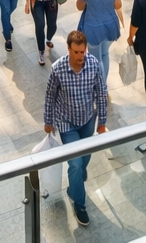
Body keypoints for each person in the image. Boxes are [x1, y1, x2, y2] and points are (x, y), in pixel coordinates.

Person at [42, 30, 109, 228]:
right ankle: (80, 205)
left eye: (83, 52)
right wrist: (48, 120)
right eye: (77, 52)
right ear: (69, 49)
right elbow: (50, 96)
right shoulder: (58, 69)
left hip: (88, 120)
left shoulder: (94, 65)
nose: (81, 56)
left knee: (84, 159)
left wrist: (102, 122)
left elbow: (101, 94)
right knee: (76, 164)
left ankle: (74, 187)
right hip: (66, 122)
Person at [76, 0, 122, 87]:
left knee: (96, 60)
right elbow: (118, 5)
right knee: (105, 54)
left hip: (92, 30)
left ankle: (100, 86)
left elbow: (79, 6)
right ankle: (104, 85)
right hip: (110, 27)